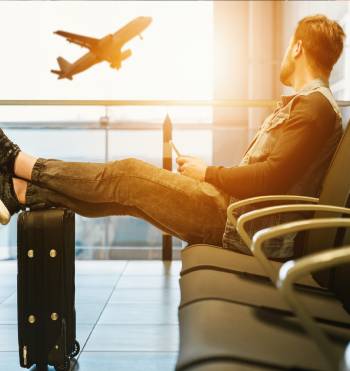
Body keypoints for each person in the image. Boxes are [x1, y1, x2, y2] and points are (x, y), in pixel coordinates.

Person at [0, 14, 346, 258]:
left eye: (289, 46)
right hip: (239, 215)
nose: (285, 54)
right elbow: (272, 174)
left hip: (240, 224)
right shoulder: (311, 107)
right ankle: (18, 191)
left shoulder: (313, 109)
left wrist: (208, 174)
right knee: (125, 195)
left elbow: (270, 178)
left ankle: (18, 162)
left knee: (127, 174)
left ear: (298, 48)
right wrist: (208, 172)